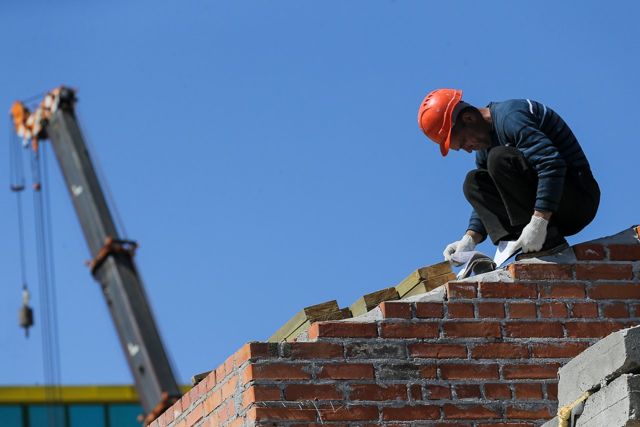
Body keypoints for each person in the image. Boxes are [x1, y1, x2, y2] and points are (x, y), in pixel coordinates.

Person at [417, 88, 600, 263]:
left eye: (464, 141)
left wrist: (539, 222)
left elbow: (551, 163)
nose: (468, 150)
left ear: (469, 118)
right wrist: (470, 238)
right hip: (549, 214)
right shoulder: (485, 147)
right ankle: (519, 243)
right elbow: (489, 197)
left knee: (498, 158)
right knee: (474, 182)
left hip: (577, 199)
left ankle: (547, 242)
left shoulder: (511, 117)